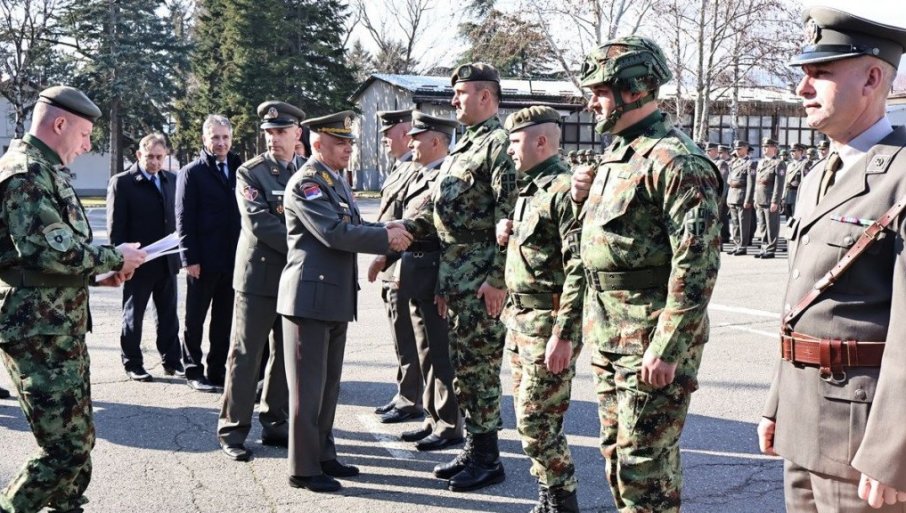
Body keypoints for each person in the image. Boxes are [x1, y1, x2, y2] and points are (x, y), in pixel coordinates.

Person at [758, 7, 906, 512]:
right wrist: (777, 404)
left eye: (820, 73)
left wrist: (892, 453)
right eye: (804, 74)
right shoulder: (823, 173)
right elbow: (799, 305)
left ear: (871, 77)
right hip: (804, 422)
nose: (803, 88)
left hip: (860, 439)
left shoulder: (901, 176)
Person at [568, 36, 721, 513]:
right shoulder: (621, 154)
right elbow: (599, 243)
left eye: (600, 90)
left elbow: (697, 265)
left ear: (634, 90)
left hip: (649, 339)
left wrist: (667, 346)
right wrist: (580, 198)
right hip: (612, 334)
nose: (592, 101)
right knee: (617, 456)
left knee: (643, 466)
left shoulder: (676, 160)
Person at [0, 85, 146, 513]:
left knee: (79, 441)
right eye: (84, 136)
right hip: (36, 329)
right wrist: (116, 255)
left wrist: (98, 278)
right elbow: (51, 251)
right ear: (59, 124)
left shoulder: (47, 170)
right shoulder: (25, 173)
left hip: (57, 322)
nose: (86, 146)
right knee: (65, 449)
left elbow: (46, 261)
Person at [278, 111, 413, 493]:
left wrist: (385, 228)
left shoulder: (334, 181)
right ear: (317, 144)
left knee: (328, 385)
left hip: (331, 299)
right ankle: (303, 468)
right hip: (308, 300)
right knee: (308, 389)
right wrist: (385, 238)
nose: (348, 149)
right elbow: (334, 233)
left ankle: (323, 454)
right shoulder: (307, 183)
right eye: (341, 143)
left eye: (350, 143)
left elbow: (352, 226)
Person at [402, 62, 518, 493]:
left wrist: (499, 280)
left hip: (481, 281)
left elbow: (513, 217)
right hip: (456, 278)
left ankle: (489, 460)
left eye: (461, 93)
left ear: (486, 97)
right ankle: (475, 446)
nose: (453, 101)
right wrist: (403, 232)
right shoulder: (466, 147)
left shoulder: (500, 146)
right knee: (466, 370)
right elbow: (442, 215)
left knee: (482, 370)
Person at [496, 106, 583, 512]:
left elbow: (578, 268)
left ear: (541, 141)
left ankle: (562, 502)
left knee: (537, 422)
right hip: (522, 321)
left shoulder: (563, 190)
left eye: (515, 142)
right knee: (530, 420)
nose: (510, 150)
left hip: (548, 323)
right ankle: (549, 498)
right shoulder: (531, 188)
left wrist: (564, 334)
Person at [217, 101, 305, 462]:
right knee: (245, 354)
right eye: (269, 132)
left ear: (298, 133)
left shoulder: (306, 170)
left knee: (286, 356)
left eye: (281, 131)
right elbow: (259, 223)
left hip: (292, 278)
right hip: (258, 278)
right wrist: (308, 247)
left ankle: (275, 422)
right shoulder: (251, 173)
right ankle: (232, 429)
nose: (273, 139)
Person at [387, 111, 464, 451]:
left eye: (416, 138)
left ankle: (449, 424)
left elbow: (451, 238)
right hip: (417, 275)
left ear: (435, 140)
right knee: (426, 352)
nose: (411, 143)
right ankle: (434, 418)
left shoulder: (449, 177)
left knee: (440, 354)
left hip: (435, 278)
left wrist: (446, 285)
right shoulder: (423, 173)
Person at [106, 133, 182, 382]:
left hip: (167, 259)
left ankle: (172, 360)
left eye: (160, 157)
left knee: (168, 313)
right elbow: (116, 228)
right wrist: (118, 260)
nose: (155, 162)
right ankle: (133, 363)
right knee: (133, 314)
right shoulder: (124, 182)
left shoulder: (171, 180)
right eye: (150, 156)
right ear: (139, 155)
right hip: (137, 260)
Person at [175, 114, 242, 392]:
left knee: (224, 319)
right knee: (195, 318)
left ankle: (216, 371)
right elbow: (183, 218)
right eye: (215, 137)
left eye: (225, 137)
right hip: (203, 259)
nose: (221, 143)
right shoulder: (192, 172)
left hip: (233, 258)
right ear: (204, 139)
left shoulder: (240, 167)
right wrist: (189, 258)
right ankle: (192, 369)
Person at [368, 109, 425, 424]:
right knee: (400, 335)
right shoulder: (399, 169)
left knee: (407, 337)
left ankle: (410, 398)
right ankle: (405, 394)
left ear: (405, 133)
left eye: (389, 134)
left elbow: (407, 225)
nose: (386, 140)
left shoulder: (414, 171)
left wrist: (383, 258)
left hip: (402, 267)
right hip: (393, 269)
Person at [752, 137, 786, 259]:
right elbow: (757, 182)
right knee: (763, 225)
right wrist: (755, 198)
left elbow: (779, 184)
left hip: (770, 198)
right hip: (760, 198)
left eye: (767, 147)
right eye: (763, 146)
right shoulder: (761, 162)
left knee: (772, 226)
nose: (764, 149)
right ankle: (764, 247)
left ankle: (771, 249)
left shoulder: (778, 163)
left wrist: (775, 201)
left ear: (774, 149)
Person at [726, 140, 757, 255]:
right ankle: (736, 244)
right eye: (736, 149)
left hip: (742, 195)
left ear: (746, 148)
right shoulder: (734, 162)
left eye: (739, 149)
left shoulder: (750, 163)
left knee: (743, 223)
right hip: (733, 195)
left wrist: (748, 200)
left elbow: (751, 183)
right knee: (735, 223)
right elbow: (729, 180)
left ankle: (743, 246)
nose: (737, 151)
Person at [782, 143, 808, 217]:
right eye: (791, 151)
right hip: (788, 194)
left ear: (800, 151)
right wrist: (783, 196)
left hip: (797, 194)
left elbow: (805, 182)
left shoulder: (805, 164)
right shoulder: (789, 165)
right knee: (788, 217)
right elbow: (785, 181)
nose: (792, 153)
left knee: (795, 217)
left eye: (794, 151)